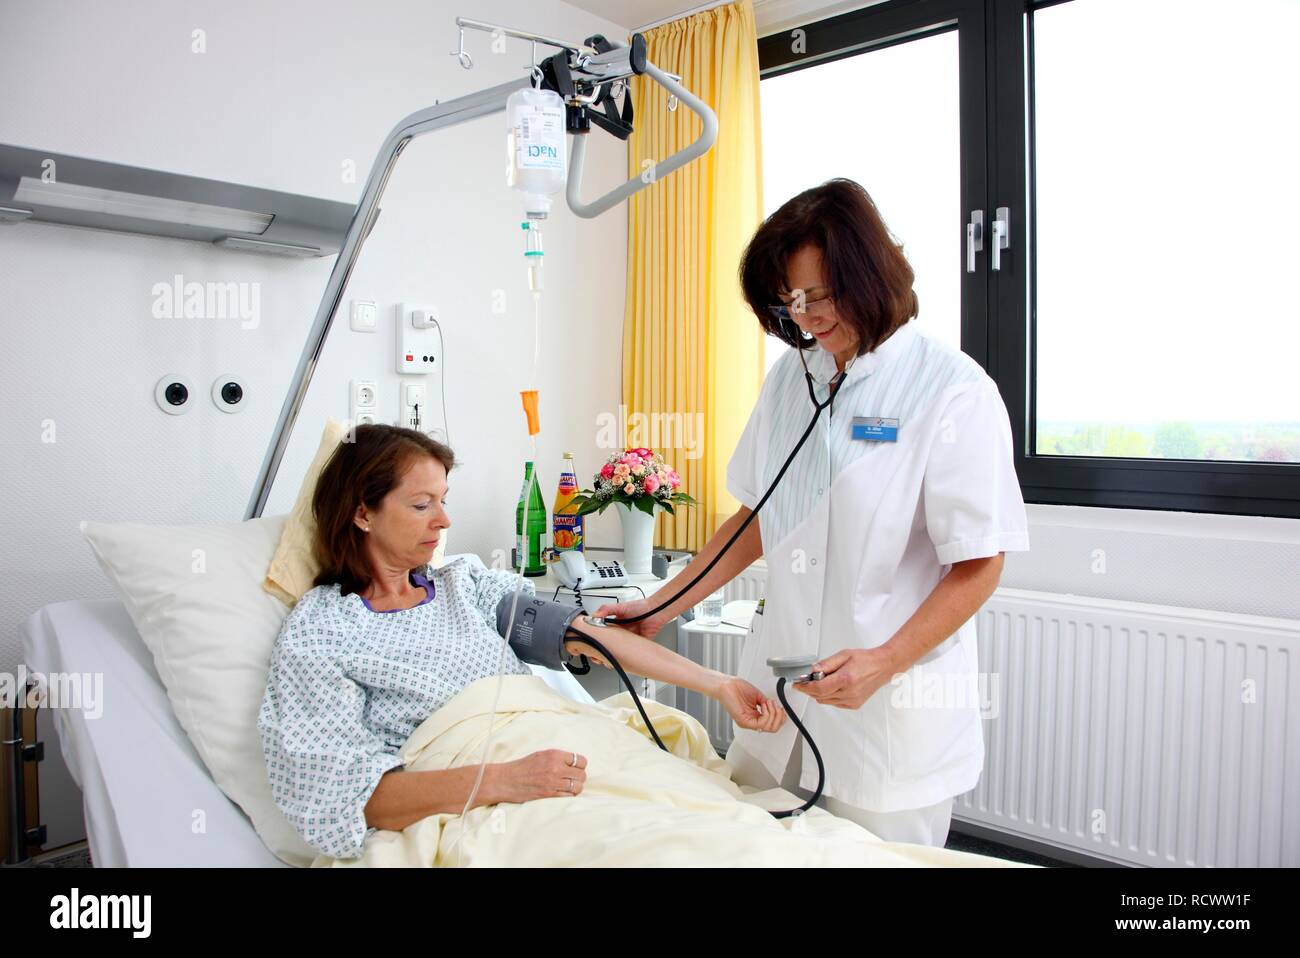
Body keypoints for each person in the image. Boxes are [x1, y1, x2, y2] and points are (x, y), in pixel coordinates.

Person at [595, 178, 1030, 847]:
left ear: (869, 273)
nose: (802, 317)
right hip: (779, 698)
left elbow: (980, 561)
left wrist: (884, 661)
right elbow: (757, 519)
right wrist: (661, 606)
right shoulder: (791, 378)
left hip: (884, 721)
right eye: (788, 300)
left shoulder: (954, 392)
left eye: (817, 296)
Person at [257, 424, 785, 860]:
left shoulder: (466, 585)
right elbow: (350, 798)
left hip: (564, 748)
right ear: (363, 512)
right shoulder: (323, 630)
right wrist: (505, 780)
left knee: (728, 833)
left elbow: (590, 638)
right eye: (422, 505)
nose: (444, 521)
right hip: (488, 796)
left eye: (443, 500)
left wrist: (718, 685)